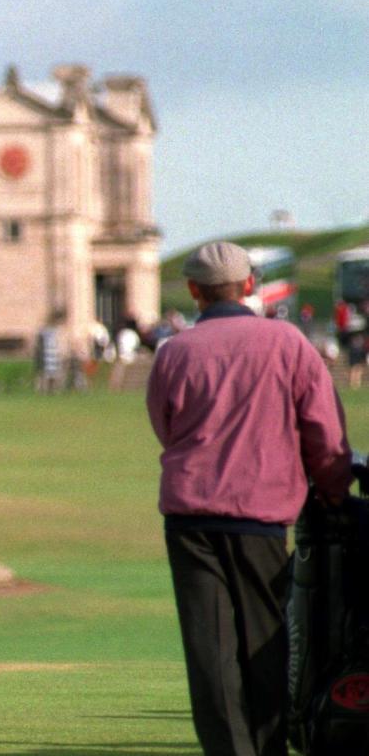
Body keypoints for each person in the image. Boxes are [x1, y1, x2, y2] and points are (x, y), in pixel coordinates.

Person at [146, 241, 351, 756]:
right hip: (259, 516)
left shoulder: (174, 352)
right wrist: (332, 489)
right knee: (264, 643)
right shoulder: (286, 342)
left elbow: (166, 428)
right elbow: (323, 432)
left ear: (194, 291)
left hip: (190, 517)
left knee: (210, 652)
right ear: (250, 286)